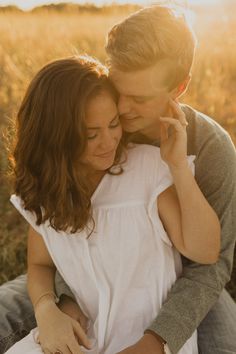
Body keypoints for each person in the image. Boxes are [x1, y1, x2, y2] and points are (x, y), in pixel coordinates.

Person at [1, 3, 236, 354]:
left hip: (185, 290)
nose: (121, 110)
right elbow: (63, 242)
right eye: (117, 88)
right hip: (85, 281)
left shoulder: (211, 149)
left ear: (179, 87)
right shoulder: (93, 121)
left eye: (139, 98)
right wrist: (59, 300)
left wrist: (157, 339)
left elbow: (209, 265)